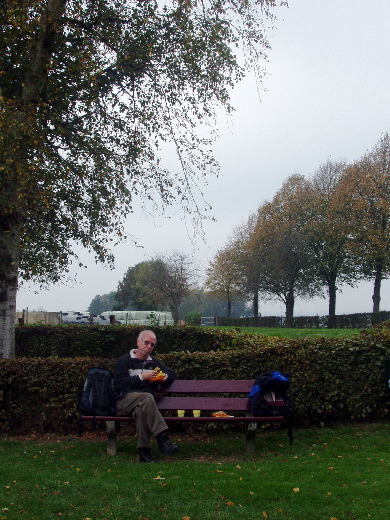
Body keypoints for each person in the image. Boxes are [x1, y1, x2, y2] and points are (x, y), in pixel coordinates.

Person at [113, 329, 179, 463]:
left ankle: (144, 452)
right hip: (123, 402)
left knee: (141, 411)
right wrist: (142, 377)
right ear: (138, 342)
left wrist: (163, 377)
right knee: (147, 397)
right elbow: (119, 385)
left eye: (152, 344)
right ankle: (162, 438)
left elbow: (171, 373)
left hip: (143, 405)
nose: (149, 347)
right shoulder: (124, 361)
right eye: (146, 342)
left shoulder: (153, 362)